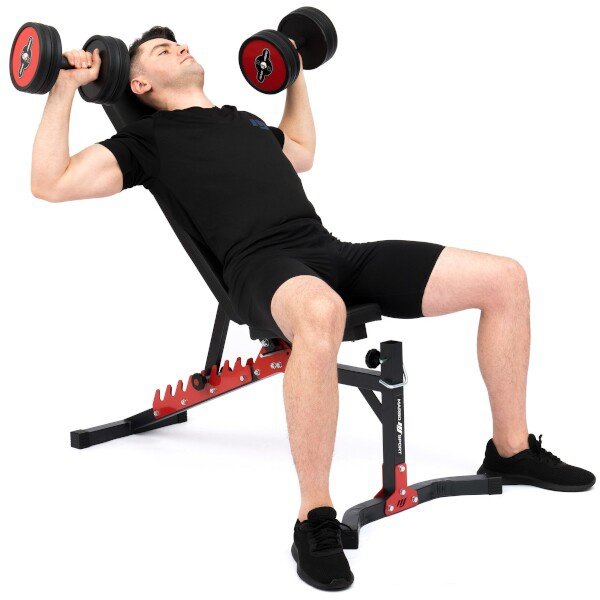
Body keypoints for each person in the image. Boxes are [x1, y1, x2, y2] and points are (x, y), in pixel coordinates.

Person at [30, 25, 595, 591]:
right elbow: (50, 182)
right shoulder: (146, 142)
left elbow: (301, 151)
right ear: (139, 84)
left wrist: (293, 73)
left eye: (177, 42)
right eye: (161, 50)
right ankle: (314, 518)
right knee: (322, 313)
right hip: (261, 270)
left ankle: (511, 450)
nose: (180, 47)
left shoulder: (243, 121)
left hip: (329, 252)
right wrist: (63, 85)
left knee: (505, 279)